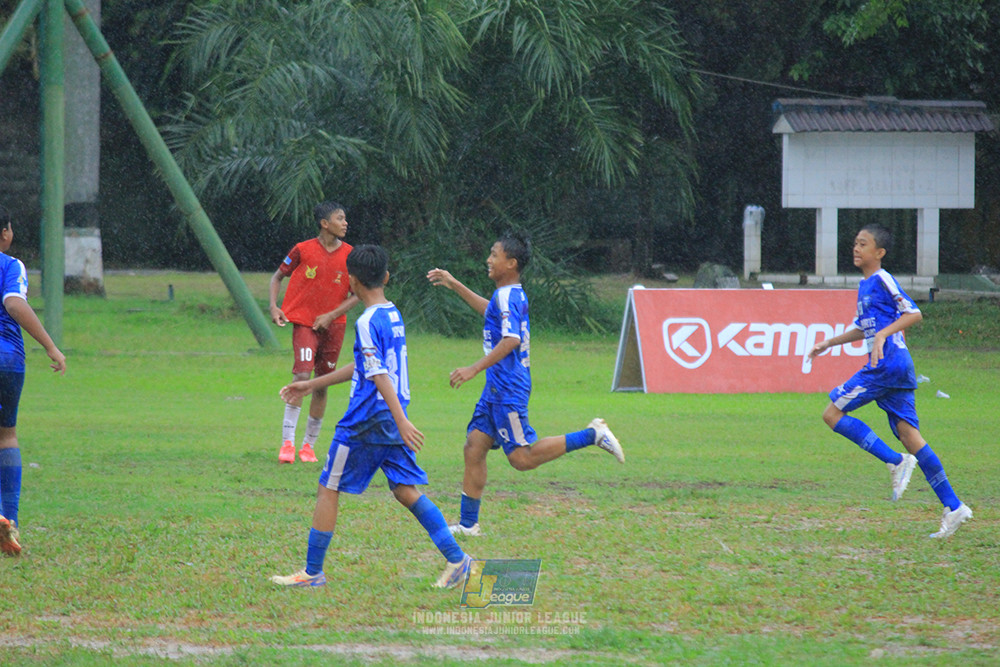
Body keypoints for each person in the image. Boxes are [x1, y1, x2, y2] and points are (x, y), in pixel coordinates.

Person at [271, 245, 473, 589]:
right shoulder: (392, 314)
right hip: (393, 415)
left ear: (351, 281)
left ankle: (312, 572)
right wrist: (310, 386)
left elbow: (378, 375)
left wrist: (401, 421)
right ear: (386, 278)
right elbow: (365, 366)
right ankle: (459, 561)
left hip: (368, 417)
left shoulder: (365, 322)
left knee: (328, 486)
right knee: (405, 490)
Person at [426, 231, 624, 537]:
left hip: (508, 388)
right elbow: (490, 312)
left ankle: (593, 434)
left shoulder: (508, 295)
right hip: (497, 387)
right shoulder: (507, 294)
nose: (488, 260)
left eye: (494, 255)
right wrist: (455, 285)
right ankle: (468, 525)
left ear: (511, 263)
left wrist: (473, 369)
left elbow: (512, 339)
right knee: (474, 446)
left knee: (522, 458)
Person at [808, 224, 972, 538]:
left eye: (863, 244)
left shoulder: (882, 279)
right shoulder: (865, 284)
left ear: (879, 253)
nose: (856, 249)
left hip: (886, 365)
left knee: (831, 414)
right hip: (896, 368)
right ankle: (953, 507)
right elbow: (864, 329)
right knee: (911, 436)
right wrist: (828, 343)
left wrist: (884, 334)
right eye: (855, 243)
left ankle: (895, 461)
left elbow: (914, 314)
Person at [269, 201, 359, 464]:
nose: (345, 223)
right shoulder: (302, 249)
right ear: (324, 223)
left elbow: (357, 295)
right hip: (305, 324)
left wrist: (331, 315)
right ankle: (287, 443)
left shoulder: (351, 255)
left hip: (335, 326)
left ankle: (309, 446)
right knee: (302, 375)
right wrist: (274, 307)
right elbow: (277, 277)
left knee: (322, 383)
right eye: (340, 218)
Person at [0, 205, 67, 556]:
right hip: (8, 360)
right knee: (6, 434)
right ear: (6, 234)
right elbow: (14, 303)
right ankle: (7, 517)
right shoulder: (11, 266)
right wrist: (51, 346)